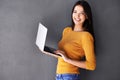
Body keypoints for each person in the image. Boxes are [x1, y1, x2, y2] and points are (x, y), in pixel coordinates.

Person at [46, 0, 96, 80]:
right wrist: (48, 51)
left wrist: (68, 59)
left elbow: (91, 65)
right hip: (58, 75)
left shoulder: (86, 36)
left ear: (86, 16)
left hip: (70, 76)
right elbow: (64, 55)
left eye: (81, 13)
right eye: (75, 12)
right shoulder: (67, 30)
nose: (77, 16)